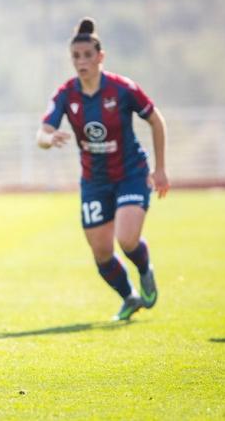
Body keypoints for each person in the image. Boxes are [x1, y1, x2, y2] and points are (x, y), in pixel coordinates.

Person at [37, 17, 169, 321]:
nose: (81, 62)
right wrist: (48, 138)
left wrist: (160, 169)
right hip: (94, 181)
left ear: (100, 57)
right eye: (76, 57)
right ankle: (129, 297)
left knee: (126, 239)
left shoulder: (122, 89)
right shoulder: (66, 94)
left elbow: (156, 120)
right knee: (101, 253)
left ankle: (145, 269)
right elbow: (41, 133)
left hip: (131, 174)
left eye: (87, 55)